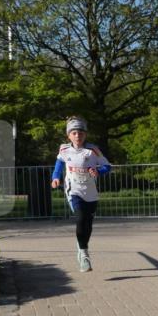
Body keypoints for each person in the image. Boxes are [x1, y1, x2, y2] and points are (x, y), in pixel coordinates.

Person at [50, 117, 111, 272]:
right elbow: (59, 164)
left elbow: (107, 166)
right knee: (80, 218)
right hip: (73, 190)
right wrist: (55, 177)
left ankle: (82, 246)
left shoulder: (92, 150)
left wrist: (98, 171)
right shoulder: (64, 150)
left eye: (81, 133)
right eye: (74, 133)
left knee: (88, 225)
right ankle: (84, 254)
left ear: (85, 135)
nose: (78, 136)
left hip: (90, 191)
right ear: (69, 135)